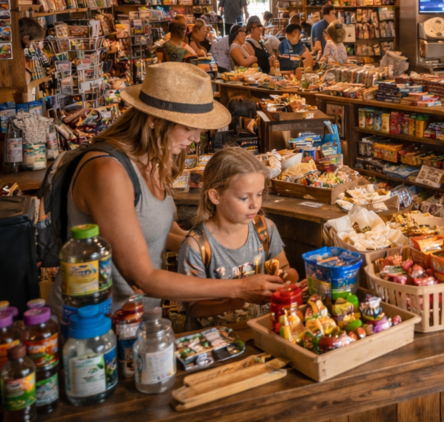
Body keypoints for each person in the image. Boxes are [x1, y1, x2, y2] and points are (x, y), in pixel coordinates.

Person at [46, 63, 283, 319]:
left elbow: (162, 230)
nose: (196, 137)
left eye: (199, 127)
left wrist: (222, 247)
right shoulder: (108, 171)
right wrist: (239, 287)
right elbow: (142, 278)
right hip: (93, 324)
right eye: (188, 126)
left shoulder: (154, 158)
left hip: (139, 316)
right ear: (153, 121)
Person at [178, 147, 299, 328]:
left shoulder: (265, 229)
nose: (255, 204)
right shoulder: (196, 246)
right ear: (216, 196)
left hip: (261, 329)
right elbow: (194, 307)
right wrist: (234, 301)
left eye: (259, 194)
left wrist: (286, 279)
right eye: (244, 198)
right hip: (216, 340)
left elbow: (285, 268)